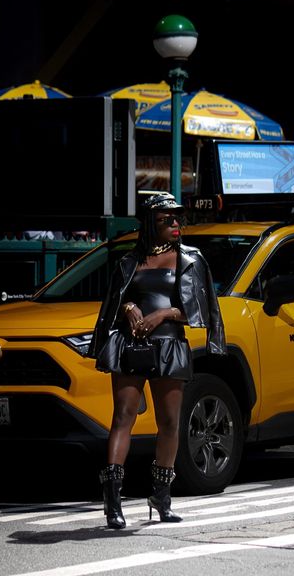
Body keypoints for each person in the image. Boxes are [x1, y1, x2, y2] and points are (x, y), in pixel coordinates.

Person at [87, 192, 226, 529]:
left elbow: (198, 309)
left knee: (169, 423)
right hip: (129, 344)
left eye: (178, 218)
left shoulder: (191, 259)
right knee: (123, 417)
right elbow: (113, 304)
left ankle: (161, 497)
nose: (176, 223)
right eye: (167, 219)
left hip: (169, 345)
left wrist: (161, 313)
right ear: (151, 223)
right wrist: (129, 308)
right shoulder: (128, 261)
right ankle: (113, 502)